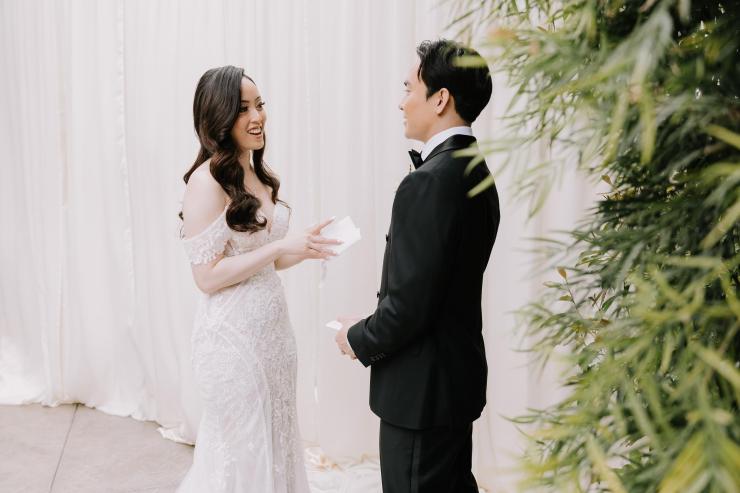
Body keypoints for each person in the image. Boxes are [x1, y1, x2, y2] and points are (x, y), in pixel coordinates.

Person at [334, 39, 500, 492]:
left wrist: (357, 337)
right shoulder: (476, 170)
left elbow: (409, 307)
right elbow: (435, 290)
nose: (401, 101)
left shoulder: (428, 182)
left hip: (421, 396)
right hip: (454, 383)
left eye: (409, 88)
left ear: (440, 99)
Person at [177, 65, 339, 493]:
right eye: (243, 108)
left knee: (277, 437)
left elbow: (263, 262)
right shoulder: (206, 182)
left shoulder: (256, 173)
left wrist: (303, 248)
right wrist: (278, 247)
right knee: (243, 450)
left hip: (274, 337)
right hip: (231, 343)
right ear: (218, 117)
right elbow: (207, 277)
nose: (257, 116)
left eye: (260, 105)